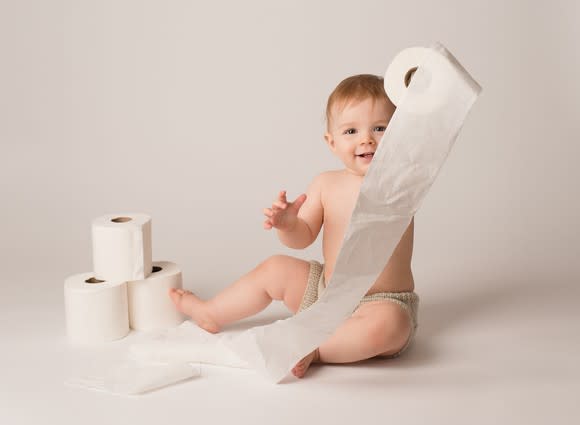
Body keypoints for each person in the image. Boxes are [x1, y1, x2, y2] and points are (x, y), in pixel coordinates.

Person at [169, 74, 418, 378]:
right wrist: (288, 225)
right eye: (351, 130)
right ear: (332, 141)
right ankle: (211, 312)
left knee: (390, 327)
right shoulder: (326, 184)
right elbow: (303, 237)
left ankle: (318, 347)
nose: (367, 139)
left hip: (380, 302)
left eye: (380, 128)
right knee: (276, 268)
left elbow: (426, 134)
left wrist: (421, 90)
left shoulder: (400, 181)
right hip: (325, 294)